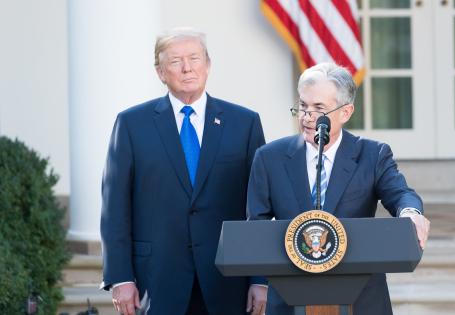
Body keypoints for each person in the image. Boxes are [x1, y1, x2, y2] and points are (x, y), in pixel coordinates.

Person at [100, 27, 268, 315]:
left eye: (194, 58)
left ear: (208, 65)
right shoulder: (131, 124)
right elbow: (114, 207)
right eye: (176, 61)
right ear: (160, 72)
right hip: (155, 279)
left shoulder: (245, 123)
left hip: (227, 279)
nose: (187, 68)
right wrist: (120, 276)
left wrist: (260, 279)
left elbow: (258, 208)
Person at [247, 62, 430, 315]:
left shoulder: (372, 154)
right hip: (290, 298)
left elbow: (400, 193)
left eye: (318, 108)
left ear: (345, 112)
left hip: (361, 299)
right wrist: (259, 280)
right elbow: (256, 224)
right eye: (303, 106)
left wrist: (411, 212)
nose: (307, 117)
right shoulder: (269, 157)